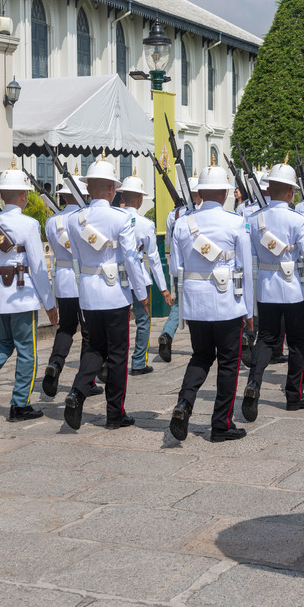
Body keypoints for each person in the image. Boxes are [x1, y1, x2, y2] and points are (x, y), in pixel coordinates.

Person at [243, 162, 304, 421]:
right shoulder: (297, 219)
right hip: (294, 290)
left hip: (266, 289)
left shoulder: (253, 219)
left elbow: (248, 262)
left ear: (270, 189)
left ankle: (254, 382)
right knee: (296, 343)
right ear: (290, 192)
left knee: (266, 339)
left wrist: (248, 301)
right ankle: (294, 395)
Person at [168, 166, 254, 442]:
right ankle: (221, 424)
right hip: (228, 300)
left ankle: (184, 403)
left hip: (196, 303)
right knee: (229, 363)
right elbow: (246, 269)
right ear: (227, 192)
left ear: (200, 193)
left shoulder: (183, 223)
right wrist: (250, 311)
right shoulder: (236, 222)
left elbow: (175, 267)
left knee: (201, 356)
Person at [62, 157, 148, 431]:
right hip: (114, 295)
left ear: (88, 190)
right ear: (112, 190)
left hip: (88, 293)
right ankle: (115, 413)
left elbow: (76, 257)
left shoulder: (75, 220)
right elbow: (132, 259)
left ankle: (77, 392)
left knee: (93, 349)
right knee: (118, 354)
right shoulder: (120, 218)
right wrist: (140, 292)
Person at [0, 169, 58, 422]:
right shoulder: (29, 225)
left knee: (4, 343)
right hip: (21, 296)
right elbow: (39, 269)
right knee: (27, 351)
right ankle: (20, 404)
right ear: (22, 195)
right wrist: (49, 304)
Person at [41, 177, 103, 399]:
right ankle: (87, 380)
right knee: (89, 334)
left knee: (66, 328)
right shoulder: (84, 219)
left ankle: (55, 364)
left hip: (62, 281)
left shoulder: (52, 221)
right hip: (83, 280)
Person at [119, 173, 173, 375]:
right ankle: (139, 361)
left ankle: (114, 360)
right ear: (140, 199)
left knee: (119, 322)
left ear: (123, 197)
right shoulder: (145, 224)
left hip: (116, 277)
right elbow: (154, 259)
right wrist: (164, 288)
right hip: (139, 276)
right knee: (143, 321)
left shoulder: (116, 217)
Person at [157, 177, 199, 362]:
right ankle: (202, 344)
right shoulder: (200, 213)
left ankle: (167, 333)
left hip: (178, 265)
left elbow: (168, 242)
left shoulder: (173, 214)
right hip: (197, 266)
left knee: (179, 304)